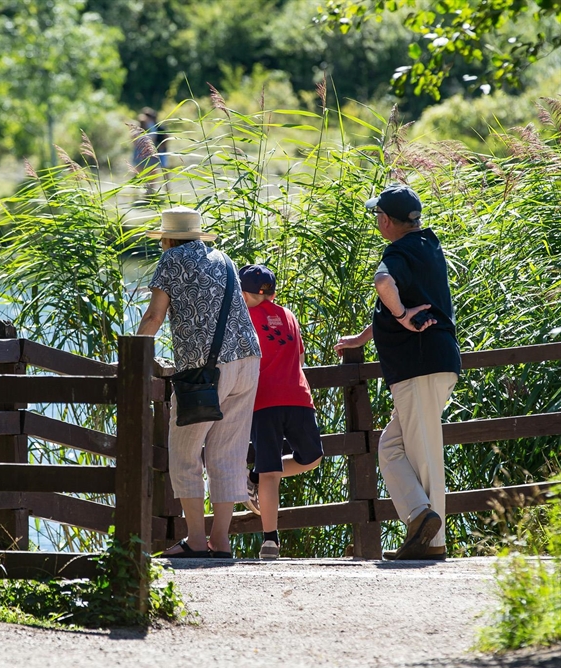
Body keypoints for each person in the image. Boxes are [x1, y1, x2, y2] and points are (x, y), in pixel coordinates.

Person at [334, 184, 460, 561]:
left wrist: (402, 316)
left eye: (378, 216)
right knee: (391, 448)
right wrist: (364, 335)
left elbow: (384, 284)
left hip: (418, 365)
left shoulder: (399, 251)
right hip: (431, 362)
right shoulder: (427, 246)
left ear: (386, 220)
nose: (377, 221)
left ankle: (432, 543)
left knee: (423, 454)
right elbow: (401, 299)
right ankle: (422, 519)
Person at [137, 206, 261, 558]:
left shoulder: (172, 259)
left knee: (185, 452)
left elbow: (154, 315)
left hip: (206, 371)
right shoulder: (224, 258)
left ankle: (195, 540)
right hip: (248, 359)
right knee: (228, 453)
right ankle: (221, 542)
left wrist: (134, 356)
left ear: (168, 238)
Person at [240, 264, 323, 560]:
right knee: (294, 464)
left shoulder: (243, 316)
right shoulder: (288, 316)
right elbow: (299, 356)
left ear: (243, 291)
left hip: (274, 400)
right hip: (289, 396)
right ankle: (270, 540)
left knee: (293, 464)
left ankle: (255, 478)